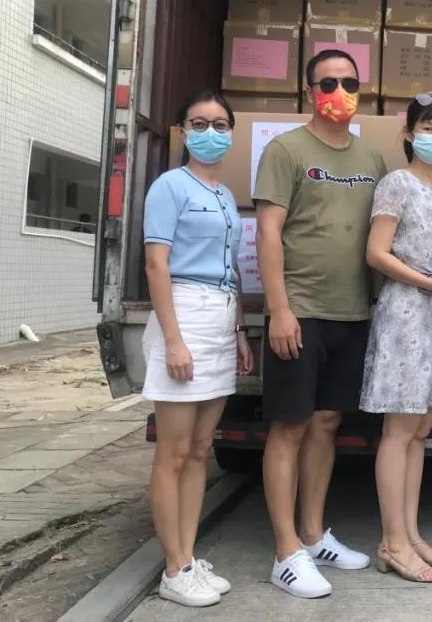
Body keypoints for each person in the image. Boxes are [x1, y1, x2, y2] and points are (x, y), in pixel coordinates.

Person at [254, 49, 386, 599]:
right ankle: (285, 552)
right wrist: (280, 309)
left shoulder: (373, 158)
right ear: (309, 91)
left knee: (327, 422)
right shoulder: (285, 150)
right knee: (289, 425)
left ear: (361, 89)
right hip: (301, 310)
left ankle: (312, 535)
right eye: (327, 83)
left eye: (348, 82)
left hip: (352, 311)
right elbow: (267, 232)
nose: (339, 91)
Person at [141, 91, 254, 608]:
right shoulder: (169, 186)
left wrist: (240, 332)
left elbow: (231, 269)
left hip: (220, 318)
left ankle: (188, 557)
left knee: (201, 449)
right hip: (183, 313)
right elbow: (156, 265)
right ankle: (173, 568)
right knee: (174, 450)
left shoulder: (226, 195)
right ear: (183, 131)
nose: (211, 132)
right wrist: (173, 340)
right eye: (200, 123)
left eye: (221, 124)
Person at [360, 93, 432, 583]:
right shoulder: (396, 184)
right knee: (399, 430)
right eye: (428, 128)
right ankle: (392, 542)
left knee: (421, 431)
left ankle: (410, 534)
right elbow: (377, 253)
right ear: (408, 134)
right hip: (407, 313)